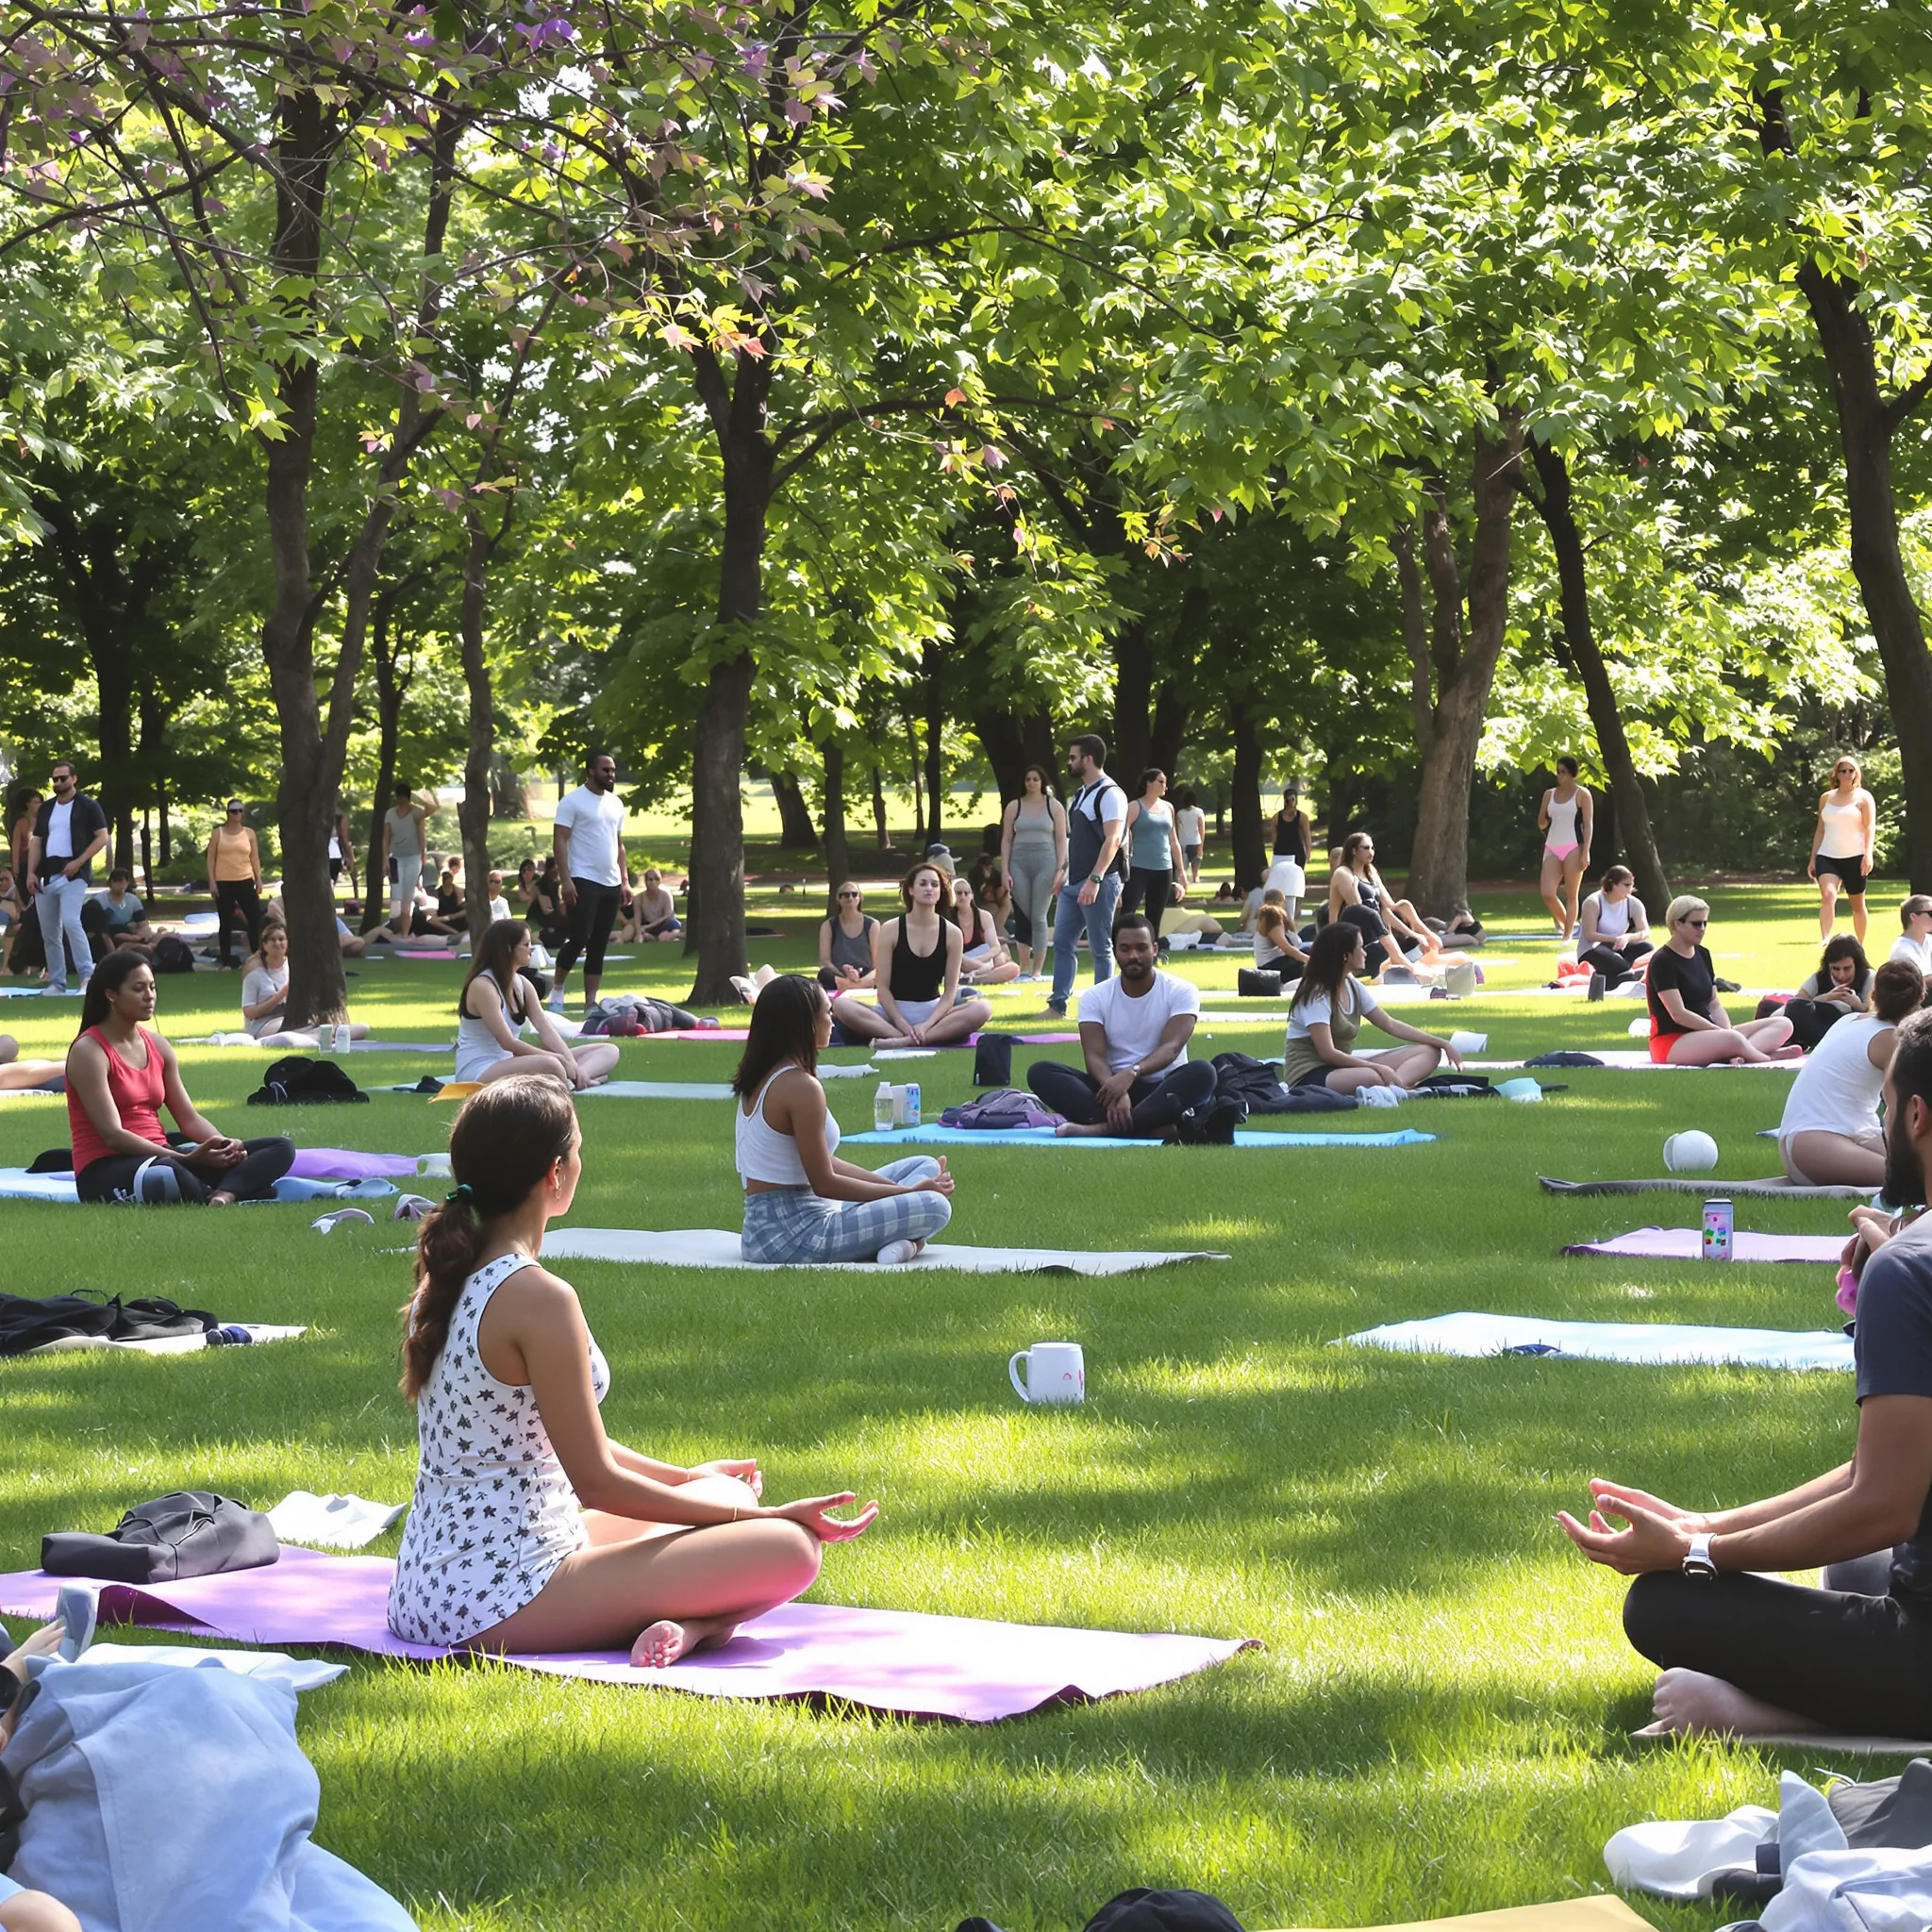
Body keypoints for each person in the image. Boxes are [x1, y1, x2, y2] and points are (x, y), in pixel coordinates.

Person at [389, 1075, 876, 1664]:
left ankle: (696, 1623)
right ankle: (703, 1627)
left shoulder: (443, 1279)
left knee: (719, 1490)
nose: (580, 1163)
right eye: (578, 1151)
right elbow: (595, 1481)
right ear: (554, 1173)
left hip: (429, 1581)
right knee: (790, 1547)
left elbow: (556, 1439)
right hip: (497, 1595)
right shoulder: (537, 1297)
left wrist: (685, 1479)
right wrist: (761, 1514)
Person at [1558, 1006, 1932, 1741]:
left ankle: (1765, 1717)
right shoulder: (1906, 1256)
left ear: (1916, 1115)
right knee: (1858, 1570)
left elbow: (1882, 1504)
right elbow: (1886, 1475)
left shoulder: (1905, 1270)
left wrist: (1696, 1554)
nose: (1881, 1125)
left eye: (1884, 1107)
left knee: (1664, 1604)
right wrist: (1702, 1524)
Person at [735, 974, 956, 1263]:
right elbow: (824, 1182)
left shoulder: (764, 1076)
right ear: (805, 1024)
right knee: (935, 1206)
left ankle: (905, 1239)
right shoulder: (800, 1087)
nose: (832, 1020)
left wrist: (902, 1191)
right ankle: (910, 1243)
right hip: (791, 1236)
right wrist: (907, 1193)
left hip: (769, 1229)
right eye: (826, 1012)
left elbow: (822, 1161)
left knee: (925, 1166)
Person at [64, 949, 295, 1205]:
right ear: (111, 995)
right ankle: (236, 1188)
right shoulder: (89, 1051)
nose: (149, 996)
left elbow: (189, 1118)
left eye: (152, 987)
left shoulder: (157, 1045)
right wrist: (185, 1159)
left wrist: (224, 1146)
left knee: (280, 1147)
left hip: (165, 1154)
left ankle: (223, 1194)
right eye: (139, 988)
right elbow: (113, 1135)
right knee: (167, 1174)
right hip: (108, 1167)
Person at [1025, 914, 1222, 1138]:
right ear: (1115, 951)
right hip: (1109, 1090)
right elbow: (1094, 1057)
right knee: (1041, 1072)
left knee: (1204, 1072)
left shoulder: (1181, 990)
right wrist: (1115, 1088)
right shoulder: (1095, 997)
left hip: (1164, 1088)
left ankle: (1101, 1129)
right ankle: (1152, 1128)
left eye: (1141, 948)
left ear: (1155, 949)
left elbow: (1171, 1048)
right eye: (1125, 949)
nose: (1133, 956)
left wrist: (1131, 1074)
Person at [1776, 959, 1921, 1186]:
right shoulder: (1892, 1041)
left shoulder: (1849, 1020)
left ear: (1873, 995)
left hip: (1829, 1138)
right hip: (1814, 1143)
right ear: (1920, 999)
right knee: (1914, 1178)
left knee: (1919, 1165)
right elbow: (1901, 1113)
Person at [1282, 923, 1464, 1094]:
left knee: (1430, 1052)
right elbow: (1327, 1053)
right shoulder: (1317, 994)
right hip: (1310, 1074)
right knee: (1372, 1077)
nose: (1365, 953)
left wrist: (1442, 1043)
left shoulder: (1352, 986)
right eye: (1360, 947)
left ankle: (1394, 1088)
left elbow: (1389, 1024)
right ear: (1345, 955)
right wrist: (1377, 1067)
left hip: (1341, 1068)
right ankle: (1394, 1087)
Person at [829, 862, 992, 1045]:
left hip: (933, 1013)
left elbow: (949, 993)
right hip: (892, 1013)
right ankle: (902, 1037)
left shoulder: (953, 934)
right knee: (841, 1005)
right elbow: (882, 986)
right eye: (923, 884)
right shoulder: (891, 929)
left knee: (983, 1008)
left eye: (934, 884)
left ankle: (906, 1041)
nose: (929, 889)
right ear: (911, 890)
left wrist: (927, 1024)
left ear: (941, 892)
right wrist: (900, 1022)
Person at [457, 920, 620, 1089]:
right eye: (526, 944)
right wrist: (558, 1059)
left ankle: (577, 1078)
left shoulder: (522, 984)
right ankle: (569, 1081)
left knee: (609, 1051)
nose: (531, 948)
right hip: (479, 1070)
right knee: (552, 1064)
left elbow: (545, 1029)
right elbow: (508, 1043)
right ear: (508, 949)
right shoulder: (483, 986)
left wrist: (570, 1061)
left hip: (510, 1063)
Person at [1646, 894, 1797, 1064]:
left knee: (1784, 1024)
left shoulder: (1703, 954)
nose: (1702, 928)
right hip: (1672, 1041)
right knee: (1733, 1039)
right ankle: (1766, 1057)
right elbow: (1678, 1014)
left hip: (1710, 1034)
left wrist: (1725, 1031)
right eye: (1696, 923)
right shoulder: (1663, 961)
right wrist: (1721, 1033)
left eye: (1705, 923)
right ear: (1678, 924)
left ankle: (1740, 1054)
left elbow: (1714, 1003)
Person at [1047, 734, 1127, 1019]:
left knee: (1101, 946)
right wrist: (1064, 873)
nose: (1069, 762)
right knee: (1062, 942)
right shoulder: (1081, 793)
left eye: (1073, 757)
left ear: (1088, 759)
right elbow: (1077, 840)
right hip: (1073, 882)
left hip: (1099, 882)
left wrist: (1095, 879)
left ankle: (1103, 1010)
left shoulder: (1111, 794)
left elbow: (1113, 838)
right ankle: (1057, 1005)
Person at [548, 753, 631, 1014]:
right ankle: (558, 989)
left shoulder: (616, 804)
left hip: (611, 882)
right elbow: (560, 840)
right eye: (606, 770)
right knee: (580, 936)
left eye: (613, 770)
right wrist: (566, 880)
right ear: (591, 771)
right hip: (582, 878)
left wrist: (625, 881)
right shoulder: (572, 801)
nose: (611, 775)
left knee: (599, 943)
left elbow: (619, 845)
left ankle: (590, 1002)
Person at [28, 760, 108, 995]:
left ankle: (87, 978)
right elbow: (37, 841)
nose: (58, 783)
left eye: (63, 778)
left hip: (74, 874)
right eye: (55, 779)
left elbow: (102, 837)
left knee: (72, 922)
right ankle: (57, 982)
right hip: (47, 875)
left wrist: (79, 862)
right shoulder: (46, 808)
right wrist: (31, 873)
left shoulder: (88, 806)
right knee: (50, 932)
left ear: (74, 778)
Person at [1327, 832, 1442, 975]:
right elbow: (1358, 910)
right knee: (1370, 916)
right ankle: (1405, 964)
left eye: (1373, 848)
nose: (1371, 852)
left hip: (1377, 932)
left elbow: (1389, 906)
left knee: (1404, 908)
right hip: (1352, 935)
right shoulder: (1343, 873)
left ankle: (1407, 958)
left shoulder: (1371, 873)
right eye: (1366, 848)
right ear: (1354, 850)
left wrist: (1418, 934)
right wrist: (1355, 887)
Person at [242, 924, 371, 1046]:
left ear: (287, 943)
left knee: (362, 1028)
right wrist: (281, 995)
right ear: (264, 945)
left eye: (281, 939)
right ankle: (321, 1038)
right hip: (266, 1023)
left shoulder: (295, 969)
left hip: (299, 1020)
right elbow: (250, 1013)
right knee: (290, 1034)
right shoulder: (255, 975)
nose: (277, 943)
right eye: (272, 940)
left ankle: (320, 1037)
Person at [999, 763, 1066, 983]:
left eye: (1036, 779)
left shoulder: (1053, 806)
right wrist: (1005, 870)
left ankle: (1037, 970)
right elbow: (1007, 839)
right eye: (1028, 779)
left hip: (1046, 862)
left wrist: (1060, 870)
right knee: (1023, 915)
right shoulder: (1014, 806)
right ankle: (1024, 967)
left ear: (1042, 782)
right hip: (1018, 862)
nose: (1031, 783)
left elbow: (1060, 839)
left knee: (1038, 916)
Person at [1808, 756, 1877, 941]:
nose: (1847, 774)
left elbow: (1869, 827)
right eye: (1843, 771)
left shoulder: (1863, 798)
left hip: (1855, 856)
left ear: (1856, 773)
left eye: (1850, 770)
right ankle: (1825, 940)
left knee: (1857, 904)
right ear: (1836, 774)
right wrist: (1813, 858)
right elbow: (1821, 830)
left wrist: (1868, 854)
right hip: (1828, 855)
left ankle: (1860, 945)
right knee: (1828, 896)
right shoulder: (1826, 798)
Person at [1775, 933, 1874, 1050]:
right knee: (1771, 1007)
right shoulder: (1820, 978)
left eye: (1847, 969)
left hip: (1848, 1028)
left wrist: (1856, 1004)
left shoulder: (1869, 978)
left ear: (1856, 965)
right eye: (1835, 969)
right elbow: (1798, 1003)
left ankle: (1797, 1040)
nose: (1841, 975)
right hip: (1818, 1023)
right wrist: (1826, 998)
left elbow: (1873, 1014)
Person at [202, 797, 264, 971]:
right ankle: (226, 959)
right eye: (233, 810)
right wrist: (212, 882)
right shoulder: (218, 833)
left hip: (245, 879)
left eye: (240, 810)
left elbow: (254, 858)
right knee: (226, 921)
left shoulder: (249, 833)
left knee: (254, 918)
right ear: (228, 813)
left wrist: (258, 878)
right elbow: (211, 859)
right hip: (224, 882)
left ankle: (257, 955)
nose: (237, 814)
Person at [1121, 768, 1187, 925]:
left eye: (1165, 782)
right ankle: (1120, 946)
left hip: (1163, 869)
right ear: (1148, 783)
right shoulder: (1134, 807)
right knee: (1128, 911)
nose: (1165, 786)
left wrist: (1182, 871)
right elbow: (1122, 836)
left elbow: (1174, 841)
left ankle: (1152, 948)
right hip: (1138, 867)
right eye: (1161, 782)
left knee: (1155, 915)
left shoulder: (1168, 807)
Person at [1538, 757, 1593, 938]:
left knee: (1571, 894)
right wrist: (1543, 821)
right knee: (1547, 893)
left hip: (1573, 846)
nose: (1560, 776)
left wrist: (1586, 852)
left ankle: (1567, 936)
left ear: (1572, 774)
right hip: (1552, 845)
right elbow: (1541, 822)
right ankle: (1571, 924)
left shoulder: (1582, 794)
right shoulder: (1549, 794)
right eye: (1558, 771)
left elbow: (1588, 824)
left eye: (1564, 772)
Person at [1575, 865, 1652, 991]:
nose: (1631, 889)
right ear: (1613, 884)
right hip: (1592, 948)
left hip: (1617, 947)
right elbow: (1590, 934)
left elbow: (1645, 931)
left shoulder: (1633, 903)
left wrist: (1627, 937)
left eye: (1632, 885)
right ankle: (1624, 973)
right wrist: (1616, 939)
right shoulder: (1593, 902)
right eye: (1626, 885)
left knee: (1648, 947)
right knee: (1618, 963)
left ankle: (1619, 976)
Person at [379, 783, 439, 933]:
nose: (400, 801)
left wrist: (423, 798)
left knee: (408, 896)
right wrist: (385, 859)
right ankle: (396, 931)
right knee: (396, 896)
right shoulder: (390, 814)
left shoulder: (416, 812)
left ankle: (405, 934)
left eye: (402, 797)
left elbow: (433, 808)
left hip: (413, 857)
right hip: (395, 858)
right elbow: (385, 838)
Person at [950, 876, 1021, 985]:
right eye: (958, 893)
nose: (963, 897)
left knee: (1012, 967)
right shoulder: (946, 918)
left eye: (966, 893)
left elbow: (995, 947)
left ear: (972, 896)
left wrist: (980, 961)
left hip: (983, 959)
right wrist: (980, 965)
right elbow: (950, 951)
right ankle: (982, 974)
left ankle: (975, 979)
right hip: (959, 961)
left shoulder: (983, 916)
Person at [818, 881, 877, 991]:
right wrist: (846, 974)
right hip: (839, 974)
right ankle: (853, 986)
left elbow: (877, 963)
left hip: (865, 974)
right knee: (824, 974)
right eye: (845, 895)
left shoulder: (872, 925)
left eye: (854, 894)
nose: (850, 898)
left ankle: (853, 986)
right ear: (838, 899)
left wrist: (860, 978)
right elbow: (825, 961)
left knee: (885, 973)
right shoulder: (829, 926)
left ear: (860, 898)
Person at [1270, 785, 1311, 909]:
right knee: (1280, 881)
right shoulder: (1277, 817)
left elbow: (1307, 835)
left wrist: (1308, 851)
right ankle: (1281, 906)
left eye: (1293, 800)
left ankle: (1296, 907)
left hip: (1297, 852)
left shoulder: (1302, 817)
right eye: (1288, 800)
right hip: (1281, 852)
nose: (1290, 803)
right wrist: (1275, 850)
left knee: (1296, 882)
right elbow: (1274, 836)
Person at [94, 867, 154, 954]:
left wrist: (139, 935)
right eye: (119, 881)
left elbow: (142, 923)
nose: (122, 885)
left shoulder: (133, 900)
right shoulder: (100, 901)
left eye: (125, 881)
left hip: (130, 932)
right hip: (109, 934)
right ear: (111, 882)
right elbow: (99, 928)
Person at [1253, 904, 1307, 985]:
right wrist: (1310, 960)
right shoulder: (1273, 925)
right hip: (1272, 968)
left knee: (1306, 951)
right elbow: (1287, 948)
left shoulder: (1265, 926)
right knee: (1302, 965)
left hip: (1270, 966)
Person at [630, 867, 682, 941]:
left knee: (673, 924)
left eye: (657, 879)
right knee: (634, 929)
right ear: (646, 881)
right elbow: (637, 918)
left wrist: (648, 927)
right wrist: (639, 933)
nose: (653, 882)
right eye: (650, 879)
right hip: (647, 924)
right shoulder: (638, 898)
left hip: (663, 923)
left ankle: (660, 937)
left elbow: (667, 915)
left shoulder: (665, 895)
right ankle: (655, 937)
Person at [1892, 896, 1932, 980]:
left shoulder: (1929, 940)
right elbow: (1922, 981)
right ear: (1913, 917)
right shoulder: (1902, 950)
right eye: (1931, 913)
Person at [1174, 788, 1207, 885]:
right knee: (1195, 867)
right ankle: (1195, 879)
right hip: (1195, 841)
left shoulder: (1180, 813)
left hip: (1183, 842)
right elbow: (1201, 828)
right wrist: (1201, 843)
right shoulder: (1198, 812)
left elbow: (1177, 828)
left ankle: (1183, 881)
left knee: (1183, 865)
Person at [328, 800, 358, 897]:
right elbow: (344, 838)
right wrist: (350, 858)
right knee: (329, 888)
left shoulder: (314, 811)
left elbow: (344, 839)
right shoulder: (339, 816)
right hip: (334, 855)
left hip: (325, 855)